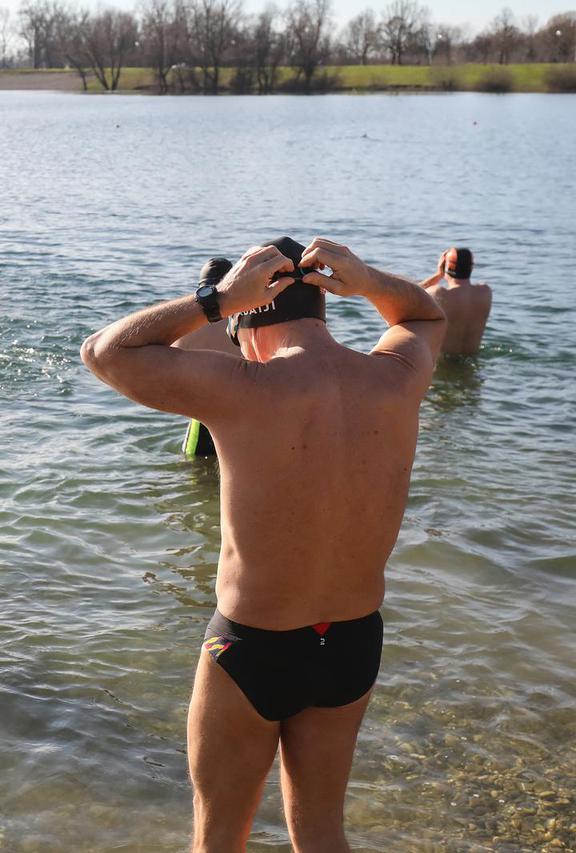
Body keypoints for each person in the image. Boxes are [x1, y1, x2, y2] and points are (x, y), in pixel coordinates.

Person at [81, 237, 445, 852]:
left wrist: (215, 300)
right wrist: (367, 280)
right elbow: (426, 316)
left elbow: (103, 351)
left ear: (247, 320)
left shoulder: (244, 386)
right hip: (351, 643)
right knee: (322, 832)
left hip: (253, 644)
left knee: (219, 838)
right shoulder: (396, 378)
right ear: (323, 308)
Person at [173, 257, 238, 458]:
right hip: (244, 415)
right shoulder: (247, 321)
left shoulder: (186, 326)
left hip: (203, 417)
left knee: (195, 468)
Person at [420, 247, 492, 356]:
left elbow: (410, 293)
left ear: (447, 266)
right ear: (471, 267)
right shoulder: (485, 292)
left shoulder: (439, 294)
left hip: (443, 362)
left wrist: (438, 274)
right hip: (472, 359)